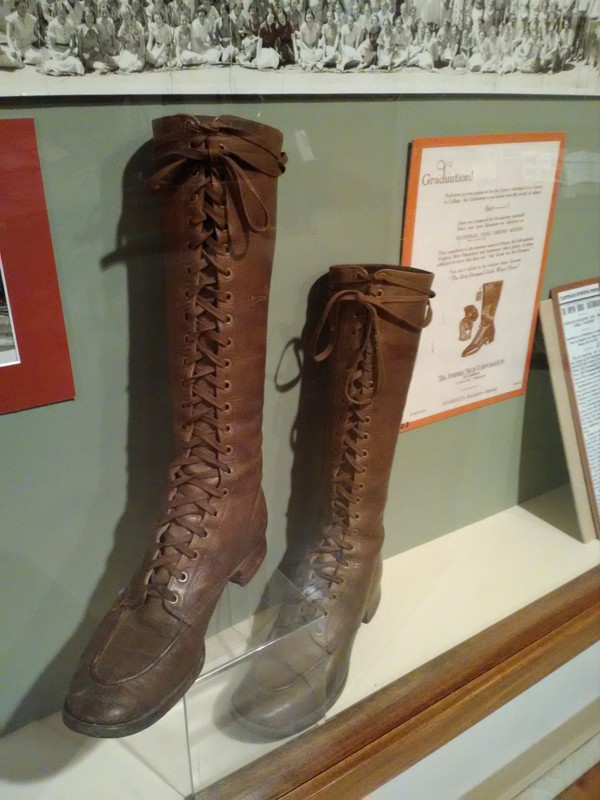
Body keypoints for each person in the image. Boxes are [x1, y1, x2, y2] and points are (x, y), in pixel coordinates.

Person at [42, 2, 85, 74]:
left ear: (67, 13)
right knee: (60, 61)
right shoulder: (52, 24)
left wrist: (68, 51)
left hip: (68, 50)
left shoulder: (70, 23)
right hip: (56, 51)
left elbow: (73, 43)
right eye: (60, 12)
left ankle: (56, 67)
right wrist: (63, 53)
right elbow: (53, 46)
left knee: (78, 65)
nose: (62, 15)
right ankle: (51, 65)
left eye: (63, 12)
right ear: (57, 13)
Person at [3, 0, 42, 67]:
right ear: (16, 7)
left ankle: (22, 60)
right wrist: (12, 49)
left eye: (25, 7)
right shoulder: (11, 19)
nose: (24, 9)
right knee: (8, 59)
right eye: (22, 7)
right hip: (17, 47)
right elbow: (8, 36)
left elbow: (36, 33)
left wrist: (41, 40)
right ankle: (19, 58)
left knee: (41, 57)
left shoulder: (32, 18)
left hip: (28, 47)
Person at [78, 6, 118, 71]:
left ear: (94, 17)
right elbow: (80, 49)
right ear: (84, 18)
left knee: (115, 65)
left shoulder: (96, 28)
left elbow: (100, 48)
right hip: (88, 59)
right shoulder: (80, 30)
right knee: (103, 67)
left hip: (98, 56)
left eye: (91, 16)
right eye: (87, 16)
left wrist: (106, 56)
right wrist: (82, 65)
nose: (89, 18)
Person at [115, 3, 146, 72]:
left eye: (126, 15)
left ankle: (133, 67)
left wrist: (140, 55)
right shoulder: (123, 27)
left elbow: (142, 43)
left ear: (130, 14)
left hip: (138, 52)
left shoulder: (137, 25)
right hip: (129, 51)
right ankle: (129, 68)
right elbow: (121, 43)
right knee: (122, 64)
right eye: (123, 16)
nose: (125, 17)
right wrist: (121, 55)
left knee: (138, 65)